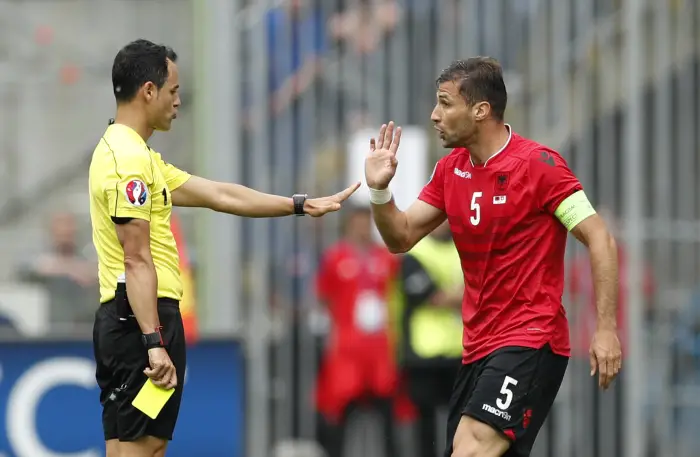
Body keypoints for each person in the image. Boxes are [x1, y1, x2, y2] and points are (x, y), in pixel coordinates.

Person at [89, 39, 359, 457]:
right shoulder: (128, 162)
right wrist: (153, 342)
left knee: (131, 447)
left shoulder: (136, 155)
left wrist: (299, 205)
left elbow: (219, 194)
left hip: (130, 318)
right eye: (173, 91)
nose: (179, 102)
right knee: (145, 448)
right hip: (140, 320)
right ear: (148, 91)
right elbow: (136, 257)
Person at [363, 57, 622, 457]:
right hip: (477, 347)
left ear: (481, 110)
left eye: (445, 103)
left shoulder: (540, 166)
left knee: (469, 450)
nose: (435, 115)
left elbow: (600, 238)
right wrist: (380, 192)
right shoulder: (450, 172)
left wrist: (605, 328)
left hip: (530, 339)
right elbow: (400, 236)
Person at [314, 206, 399, 457]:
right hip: (348, 349)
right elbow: (325, 296)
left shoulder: (385, 257)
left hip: (379, 348)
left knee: (387, 413)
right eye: (358, 223)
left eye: (366, 223)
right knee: (340, 412)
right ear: (349, 224)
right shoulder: (335, 258)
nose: (363, 228)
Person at [394, 220, 463, 457]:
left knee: (462, 424)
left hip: (460, 350)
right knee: (425, 425)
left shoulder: (462, 248)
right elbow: (430, 297)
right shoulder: (416, 253)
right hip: (424, 352)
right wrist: (464, 295)